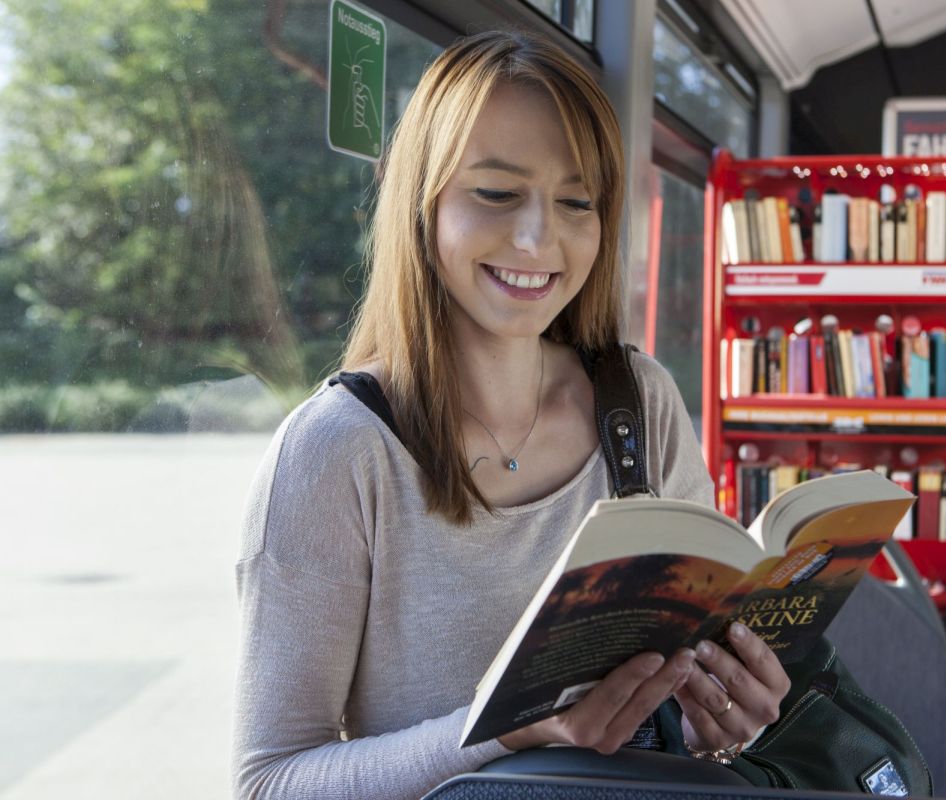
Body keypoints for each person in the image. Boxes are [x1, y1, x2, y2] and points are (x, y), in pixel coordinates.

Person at [232, 30, 790, 799]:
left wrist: (722, 723)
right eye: (495, 193)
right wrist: (505, 730)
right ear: (420, 202)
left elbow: (680, 724)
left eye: (575, 202)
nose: (538, 239)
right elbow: (271, 782)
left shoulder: (641, 404)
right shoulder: (337, 452)